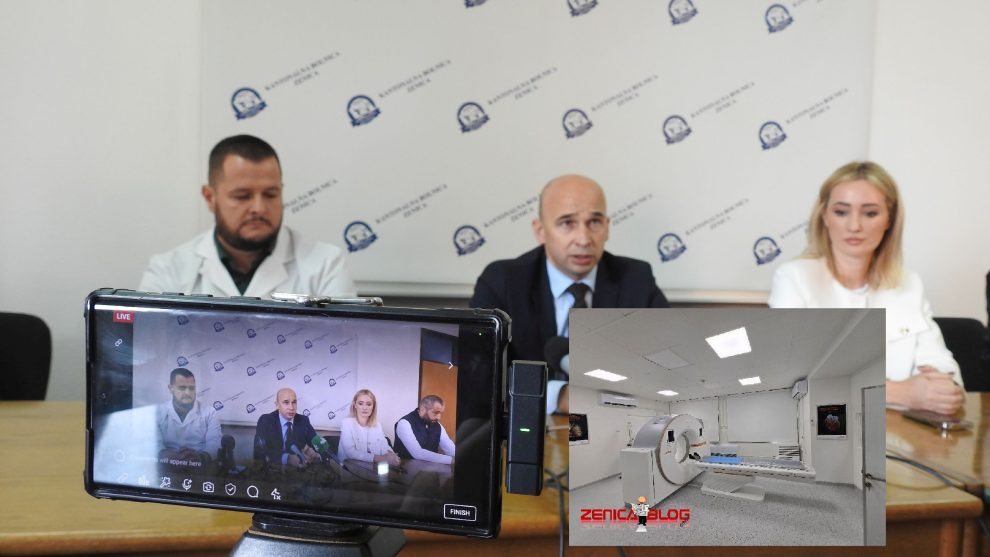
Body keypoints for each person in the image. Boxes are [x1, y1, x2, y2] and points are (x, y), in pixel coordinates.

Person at [768, 161, 964, 415]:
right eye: (841, 212)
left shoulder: (909, 282)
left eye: (870, 213)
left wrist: (945, 389)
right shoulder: (793, 278)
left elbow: (941, 363)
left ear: (890, 219)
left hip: (901, 430)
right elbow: (790, 381)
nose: (854, 226)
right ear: (824, 216)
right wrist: (902, 393)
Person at [470, 174, 670, 365]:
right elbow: (480, 367)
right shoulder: (503, 282)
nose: (583, 240)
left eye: (594, 222)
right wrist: (559, 389)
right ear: (541, 231)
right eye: (567, 223)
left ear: (607, 227)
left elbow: (668, 357)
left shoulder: (636, 279)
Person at [138, 135, 355, 299]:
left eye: (271, 194)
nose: (259, 208)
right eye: (242, 196)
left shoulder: (325, 264)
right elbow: (147, 343)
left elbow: (343, 344)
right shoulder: (168, 270)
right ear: (210, 197)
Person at [157, 368, 222, 462]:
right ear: (171, 389)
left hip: (199, 464)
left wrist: (201, 458)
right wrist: (164, 454)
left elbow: (215, 443)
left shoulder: (209, 412)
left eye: (191, 388)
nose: (188, 393)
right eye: (182, 388)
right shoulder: (158, 412)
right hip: (166, 462)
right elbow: (153, 443)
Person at [254, 387, 320, 467]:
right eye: (286, 402)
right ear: (277, 405)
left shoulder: (303, 420)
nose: (291, 407)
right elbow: (259, 453)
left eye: (294, 402)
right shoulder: (266, 421)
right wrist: (287, 458)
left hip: (301, 469)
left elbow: (320, 446)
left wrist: (317, 456)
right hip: (273, 469)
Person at [338, 389, 400, 466]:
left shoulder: (377, 425)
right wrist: (380, 458)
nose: (364, 408)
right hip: (349, 468)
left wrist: (392, 456)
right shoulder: (346, 423)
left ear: (373, 407)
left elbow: (385, 447)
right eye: (360, 403)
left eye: (368, 404)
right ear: (355, 405)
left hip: (371, 468)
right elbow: (350, 452)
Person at [394, 395, 455, 465]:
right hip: (405, 468)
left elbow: (450, 448)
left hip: (431, 469)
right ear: (423, 409)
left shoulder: (438, 426)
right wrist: (451, 460)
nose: (439, 417)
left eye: (440, 413)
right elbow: (417, 453)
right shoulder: (404, 423)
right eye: (435, 412)